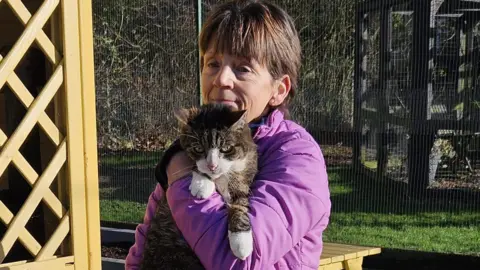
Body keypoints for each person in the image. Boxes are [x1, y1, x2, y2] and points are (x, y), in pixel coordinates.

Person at [125, 0, 331, 269]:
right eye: (212, 63)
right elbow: (143, 248)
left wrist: (180, 174)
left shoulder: (296, 156)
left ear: (279, 89)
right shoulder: (192, 143)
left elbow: (239, 260)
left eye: (242, 68)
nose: (221, 79)